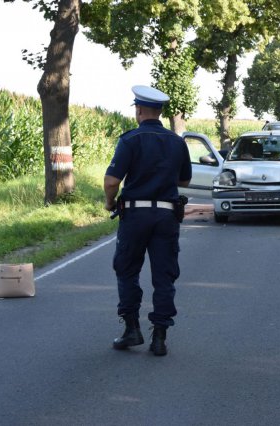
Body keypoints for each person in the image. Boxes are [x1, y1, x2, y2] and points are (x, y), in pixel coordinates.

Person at [104, 85, 192, 356]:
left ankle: (132, 330)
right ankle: (160, 338)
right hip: (166, 215)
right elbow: (184, 180)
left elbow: (111, 181)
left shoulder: (130, 140)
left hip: (135, 215)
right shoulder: (177, 142)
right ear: (160, 112)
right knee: (164, 275)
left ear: (139, 110)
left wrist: (110, 202)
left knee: (127, 270)